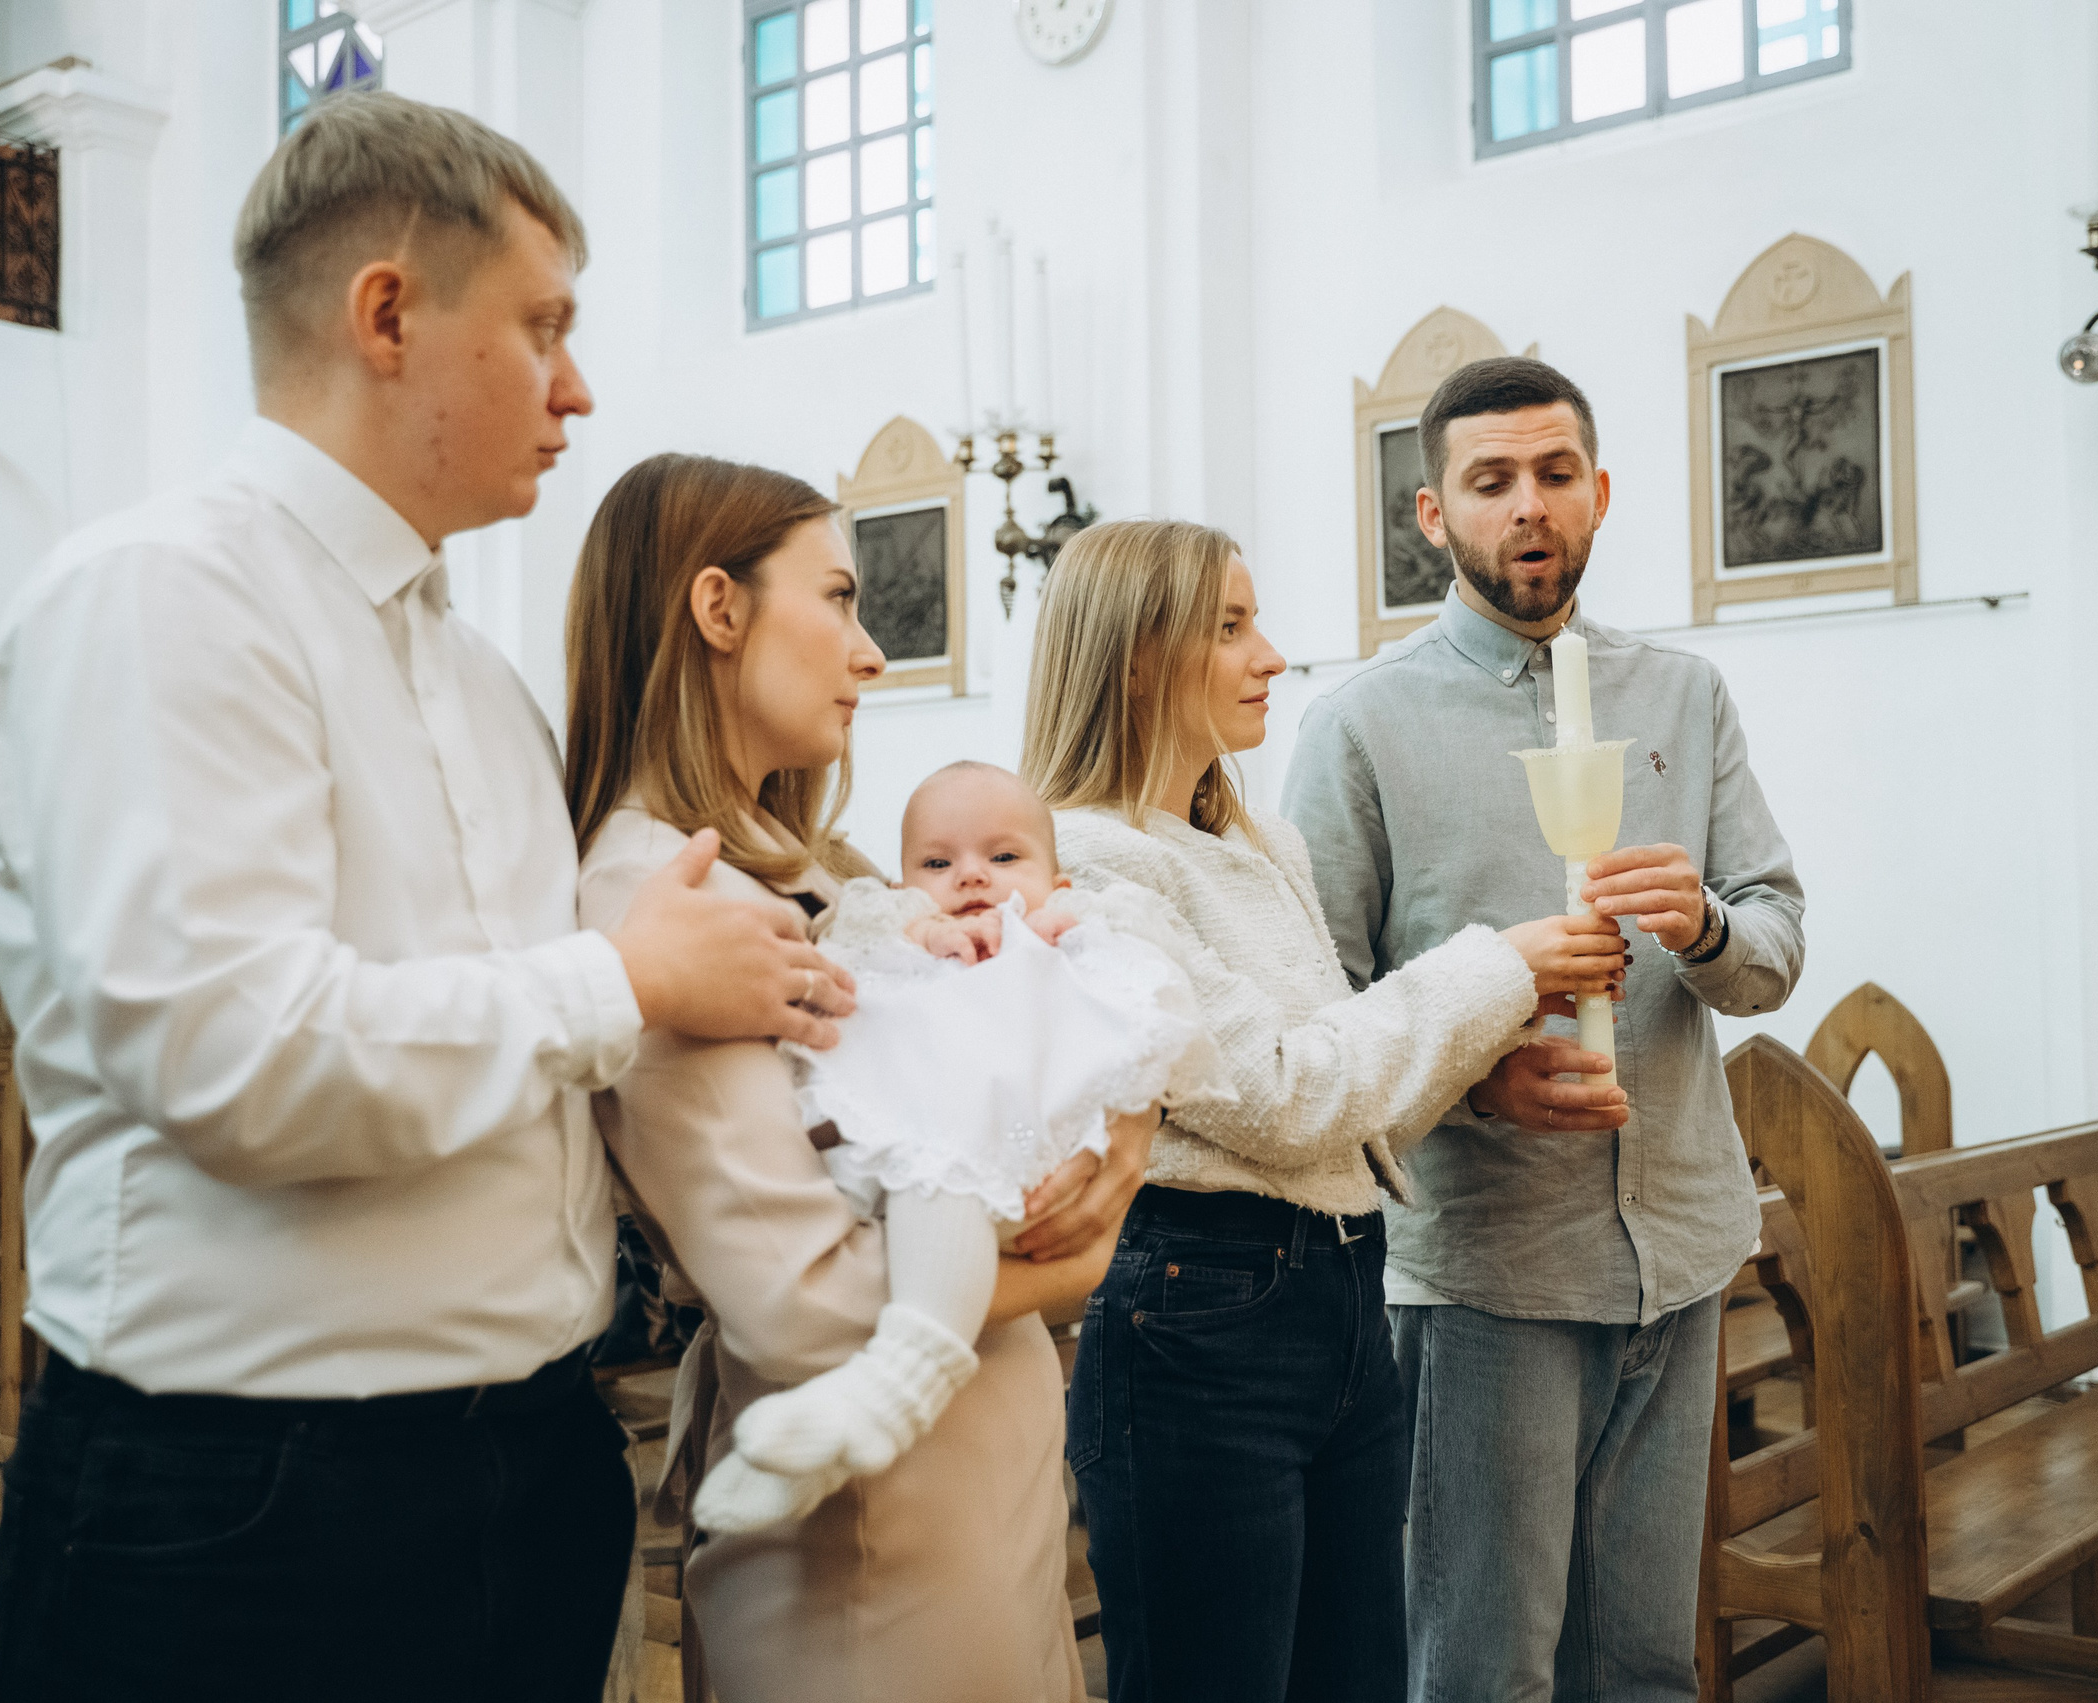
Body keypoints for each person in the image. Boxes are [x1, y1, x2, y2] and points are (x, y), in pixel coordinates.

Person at [0, 94, 853, 1703]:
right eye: (541, 327)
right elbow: (238, 1057)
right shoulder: (163, 598)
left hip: (519, 1455)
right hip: (255, 1500)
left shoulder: (478, 677)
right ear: (388, 312)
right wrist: (626, 984)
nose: (578, 388)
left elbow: (523, 1074)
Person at [567, 453, 1146, 1702]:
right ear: (718, 611)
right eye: (837, 597)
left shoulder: (806, 868)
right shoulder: (660, 891)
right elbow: (810, 1304)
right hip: (866, 1552)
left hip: (978, 1483)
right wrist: (1086, 1252)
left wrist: (1117, 1137)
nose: (873, 652)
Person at [1020, 517, 1625, 1703]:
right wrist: (1498, 964)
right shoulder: (1087, 863)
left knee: (1356, 1673)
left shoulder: (1259, 842)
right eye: (1231, 627)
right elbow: (1283, 1091)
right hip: (1203, 1312)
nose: (1271, 656)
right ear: (1138, 655)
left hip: (1340, 1285)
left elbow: (1340, 1087)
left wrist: (1484, 1067)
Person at [1283, 356, 1806, 1702]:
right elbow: (1318, 1030)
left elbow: (1774, 948)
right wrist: (1474, 1087)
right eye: (1492, 480)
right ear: (1430, 513)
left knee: (1644, 1660)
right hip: (1488, 1270)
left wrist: (1702, 925)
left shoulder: (1682, 699)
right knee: (1483, 1667)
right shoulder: (1360, 728)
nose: (1529, 506)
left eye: (1555, 474)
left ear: (1601, 492)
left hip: (1680, 1241)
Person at [698, 761, 1225, 1533]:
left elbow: (1163, 987)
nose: (971, 876)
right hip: (915, 1155)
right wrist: (919, 929)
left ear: (1059, 877)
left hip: (1025, 1160)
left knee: (944, 1167)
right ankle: (867, 1409)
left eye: (1004, 858)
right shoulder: (906, 933)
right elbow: (857, 931)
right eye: (937, 863)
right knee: (929, 1167)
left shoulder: (1074, 929)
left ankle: (898, 1380)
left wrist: (1071, 928)